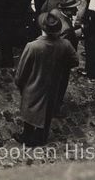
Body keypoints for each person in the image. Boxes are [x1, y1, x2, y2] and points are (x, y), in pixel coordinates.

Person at [14, 12, 79, 147]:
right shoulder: (65, 44)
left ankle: (27, 136)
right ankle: (41, 138)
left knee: (30, 112)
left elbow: (21, 72)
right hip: (52, 85)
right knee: (47, 112)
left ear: (42, 28)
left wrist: (20, 84)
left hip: (33, 86)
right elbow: (74, 61)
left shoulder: (33, 46)